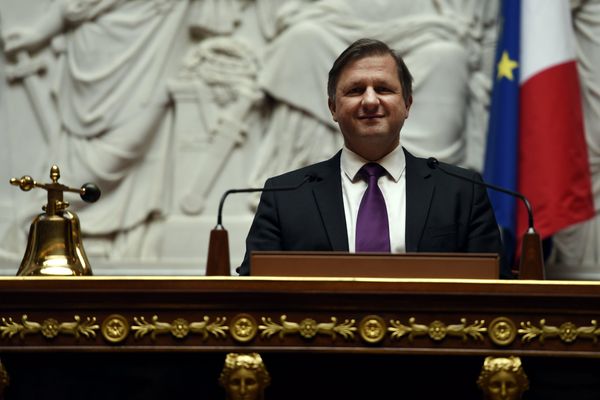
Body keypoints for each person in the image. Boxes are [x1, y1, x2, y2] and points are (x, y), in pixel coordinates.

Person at [237, 38, 503, 276]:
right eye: (355, 90)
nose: (370, 101)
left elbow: (496, 290)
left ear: (407, 104)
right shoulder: (285, 195)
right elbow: (251, 292)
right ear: (333, 107)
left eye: (384, 89)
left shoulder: (463, 192)